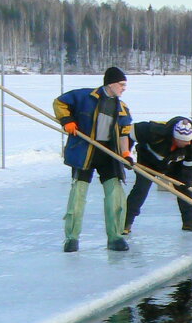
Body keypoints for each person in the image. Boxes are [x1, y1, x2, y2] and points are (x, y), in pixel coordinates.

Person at [53, 66, 134, 253]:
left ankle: (115, 237)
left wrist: (126, 154)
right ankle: (71, 238)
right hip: (84, 151)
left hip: (108, 154)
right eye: (121, 84)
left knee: (115, 196)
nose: (124, 88)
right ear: (111, 83)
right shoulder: (84, 97)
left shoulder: (122, 108)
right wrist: (67, 121)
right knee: (78, 195)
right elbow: (59, 103)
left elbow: (124, 133)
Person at [124, 116, 192, 234]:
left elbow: (190, 166)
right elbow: (127, 132)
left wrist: (186, 180)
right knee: (141, 189)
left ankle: (189, 222)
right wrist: (126, 154)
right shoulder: (153, 131)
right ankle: (125, 223)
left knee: (185, 187)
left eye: (189, 141)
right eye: (184, 142)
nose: (187, 143)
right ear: (175, 138)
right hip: (147, 161)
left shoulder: (191, 146)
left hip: (173, 164)